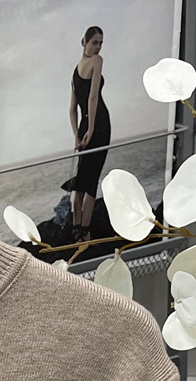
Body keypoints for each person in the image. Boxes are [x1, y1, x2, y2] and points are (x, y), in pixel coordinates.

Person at [64, 26, 111, 242]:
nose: (98, 47)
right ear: (83, 41)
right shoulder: (97, 61)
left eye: (101, 43)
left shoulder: (75, 70)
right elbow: (93, 98)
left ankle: (77, 229)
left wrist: (77, 133)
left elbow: (73, 109)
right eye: (95, 42)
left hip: (85, 125)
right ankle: (85, 231)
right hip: (98, 124)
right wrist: (91, 129)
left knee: (83, 178)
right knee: (90, 180)